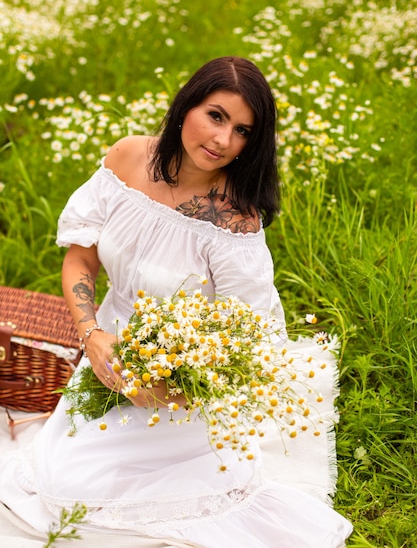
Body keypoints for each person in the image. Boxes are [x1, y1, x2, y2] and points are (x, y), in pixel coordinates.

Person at [0, 57, 352, 547]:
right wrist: (93, 337)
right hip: (109, 352)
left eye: (243, 131)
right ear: (187, 105)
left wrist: (171, 387)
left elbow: (245, 336)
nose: (223, 140)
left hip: (183, 377)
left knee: (79, 493)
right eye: (216, 115)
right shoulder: (126, 158)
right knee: (56, 481)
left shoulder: (234, 219)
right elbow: (81, 260)